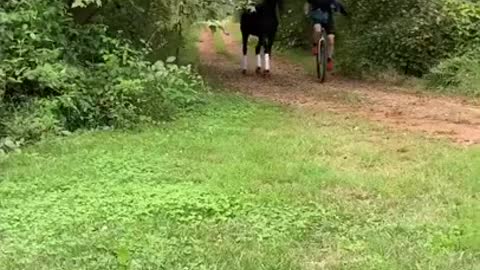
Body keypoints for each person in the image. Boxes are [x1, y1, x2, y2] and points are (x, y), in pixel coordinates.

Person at [304, 0, 347, 71]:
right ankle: (315, 45)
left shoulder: (332, 1)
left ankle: (329, 59)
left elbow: (340, 6)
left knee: (331, 39)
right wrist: (307, 13)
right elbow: (307, 3)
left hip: (328, 21)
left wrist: (345, 13)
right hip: (317, 18)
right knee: (317, 29)